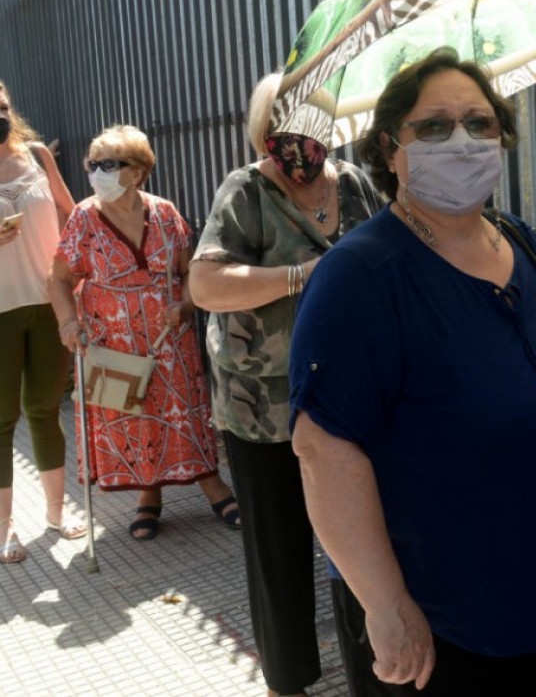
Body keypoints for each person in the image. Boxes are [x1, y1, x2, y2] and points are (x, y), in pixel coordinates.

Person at [287, 47, 536, 695]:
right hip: (447, 633)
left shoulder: (511, 238)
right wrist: (386, 605)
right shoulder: (361, 275)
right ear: (389, 149)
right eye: (434, 126)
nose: (462, 139)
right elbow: (323, 449)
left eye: (480, 123)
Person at [188, 71, 386, 697]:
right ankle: (288, 682)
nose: (301, 137)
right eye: (286, 123)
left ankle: (375, 671)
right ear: (265, 128)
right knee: (279, 554)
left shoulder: (352, 183)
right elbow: (205, 285)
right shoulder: (245, 191)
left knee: (361, 546)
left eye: (314, 119)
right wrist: (304, 275)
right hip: (262, 407)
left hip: (350, 399)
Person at [47, 124, 240, 542]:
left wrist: (185, 303)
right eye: (92, 164)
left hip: (168, 338)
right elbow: (58, 279)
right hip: (111, 342)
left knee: (184, 410)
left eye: (109, 165)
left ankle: (213, 486)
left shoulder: (166, 213)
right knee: (131, 416)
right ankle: (147, 497)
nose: (97, 173)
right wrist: (68, 322)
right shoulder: (83, 218)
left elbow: (191, 272)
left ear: (137, 171)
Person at [0, 80, 84, 565]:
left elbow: (72, 215)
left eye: (4, 106)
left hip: (49, 300)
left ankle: (55, 513)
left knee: (45, 407)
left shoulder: (35, 154)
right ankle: (6, 526)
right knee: (0, 418)